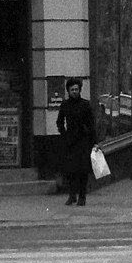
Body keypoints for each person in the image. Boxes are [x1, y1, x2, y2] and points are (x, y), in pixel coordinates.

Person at [56, 78, 97, 206]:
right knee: (71, 171)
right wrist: (64, 133)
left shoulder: (85, 105)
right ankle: (72, 195)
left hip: (83, 141)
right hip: (70, 142)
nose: (74, 92)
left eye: (76, 89)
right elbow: (59, 121)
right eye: (72, 89)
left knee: (83, 171)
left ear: (80, 91)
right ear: (68, 91)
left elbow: (91, 124)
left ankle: (82, 196)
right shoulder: (65, 105)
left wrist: (94, 142)